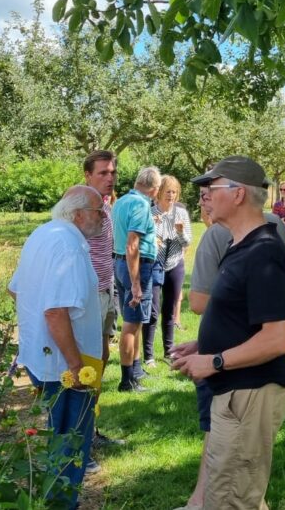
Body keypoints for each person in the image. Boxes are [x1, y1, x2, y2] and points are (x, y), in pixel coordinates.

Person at [171, 156, 285, 510]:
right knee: (235, 493)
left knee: (231, 499)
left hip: (250, 391)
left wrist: (214, 359)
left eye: (212, 188)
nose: (205, 197)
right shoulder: (239, 246)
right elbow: (247, 319)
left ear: (238, 194)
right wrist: (204, 343)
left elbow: (278, 338)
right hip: (235, 389)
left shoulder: (263, 253)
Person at [9, 186, 105, 509]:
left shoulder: (43, 233)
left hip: (46, 358)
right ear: (77, 214)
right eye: (98, 211)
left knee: (59, 438)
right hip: (67, 365)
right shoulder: (69, 247)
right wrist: (77, 365)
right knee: (70, 442)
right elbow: (55, 311)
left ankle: (56, 500)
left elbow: (16, 291)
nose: (103, 218)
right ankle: (62, 503)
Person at [81, 151, 124, 457]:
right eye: (103, 173)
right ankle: (81, 438)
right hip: (89, 294)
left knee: (102, 359)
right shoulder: (82, 207)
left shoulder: (106, 204)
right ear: (88, 176)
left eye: (112, 173)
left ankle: (91, 430)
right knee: (86, 366)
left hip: (107, 291)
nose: (109, 178)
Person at [111, 166, 160, 392]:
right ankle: (127, 381)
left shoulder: (121, 201)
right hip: (136, 267)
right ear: (155, 188)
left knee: (136, 320)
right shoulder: (141, 204)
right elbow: (133, 244)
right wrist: (137, 282)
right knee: (131, 324)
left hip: (119, 262)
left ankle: (136, 370)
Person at [143, 175, 192, 367]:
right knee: (153, 311)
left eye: (174, 192)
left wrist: (180, 232)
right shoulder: (150, 212)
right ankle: (148, 356)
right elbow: (142, 240)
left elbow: (187, 242)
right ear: (159, 193)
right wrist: (152, 231)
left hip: (175, 264)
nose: (171, 196)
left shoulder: (181, 213)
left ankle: (169, 352)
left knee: (170, 311)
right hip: (154, 265)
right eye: (167, 192)